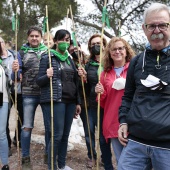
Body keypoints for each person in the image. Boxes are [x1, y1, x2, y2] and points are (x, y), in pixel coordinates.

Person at [118, 3, 170, 170]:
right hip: (135, 142)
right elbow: (128, 96)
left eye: (162, 25)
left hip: (167, 146)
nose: (157, 30)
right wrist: (123, 121)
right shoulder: (136, 61)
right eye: (151, 26)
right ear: (144, 28)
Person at [36, 29, 81, 170]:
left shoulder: (70, 60)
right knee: (57, 135)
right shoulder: (47, 57)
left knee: (65, 135)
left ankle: (61, 165)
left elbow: (75, 82)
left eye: (67, 40)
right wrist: (47, 75)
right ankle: (52, 166)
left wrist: (78, 102)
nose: (65, 42)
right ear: (55, 41)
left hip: (70, 101)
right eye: (62, 39)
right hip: (56, 100)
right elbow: (39, 81)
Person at [12, 26, 48, 169]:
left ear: (41, 37)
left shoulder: (47, 52)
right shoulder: (21, 52)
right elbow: (15, 77)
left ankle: (48, 154)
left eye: (37, 36)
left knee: (48, 127)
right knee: (26, 127)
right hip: (28, 94)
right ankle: (25, 157)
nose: (34, 38)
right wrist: (15, 71)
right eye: (32, 36)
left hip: (45, 93)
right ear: (28, 37)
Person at [95, 37, 135, 164]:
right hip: (113, 121)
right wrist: (100, 93)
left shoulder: (135, 70)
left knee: (134, 161)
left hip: (133, 121)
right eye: (114, 49)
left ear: (126, 51)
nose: (117, 51)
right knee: (121, 161)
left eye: (120, 48)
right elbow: (103, 104)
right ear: (109, 53)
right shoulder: (105, 74)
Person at [78, 34, 113, 170]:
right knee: (89, 132)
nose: (96, 46)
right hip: (90, 104)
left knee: (104, 134)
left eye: (98, 43)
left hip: (106, 104)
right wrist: (84, 78)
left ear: (104, 45)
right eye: (93, 44)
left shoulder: (109, 62)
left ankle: (105, 157)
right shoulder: (87, 64)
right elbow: (83, 86)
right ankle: (91, 155)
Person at [0, 37, 23, 157]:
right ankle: (7, 145)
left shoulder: (15, 54)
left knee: (22, 118)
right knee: (4, 120)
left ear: (4, 43)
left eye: (1, 42)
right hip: (4, 94)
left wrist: (18, 73)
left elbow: (21, 69)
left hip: (18, 91)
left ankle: (17, 139)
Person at [0, 38, 10, 170]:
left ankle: (4, 163)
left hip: (3, 100)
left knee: (1, 133)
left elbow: (10, 82)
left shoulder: (3, 63)